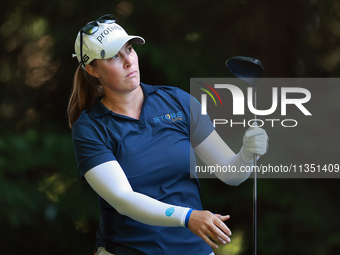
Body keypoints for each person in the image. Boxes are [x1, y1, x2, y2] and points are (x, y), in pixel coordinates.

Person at [67, 14, 268, 255]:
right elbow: (123, 199)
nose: (128, 61)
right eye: (113, 57)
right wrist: (188, 217)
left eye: (129, 49)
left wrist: (247, 153)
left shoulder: (177, 101)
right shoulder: (91, 128)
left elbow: (230, 173)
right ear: (92, 69)